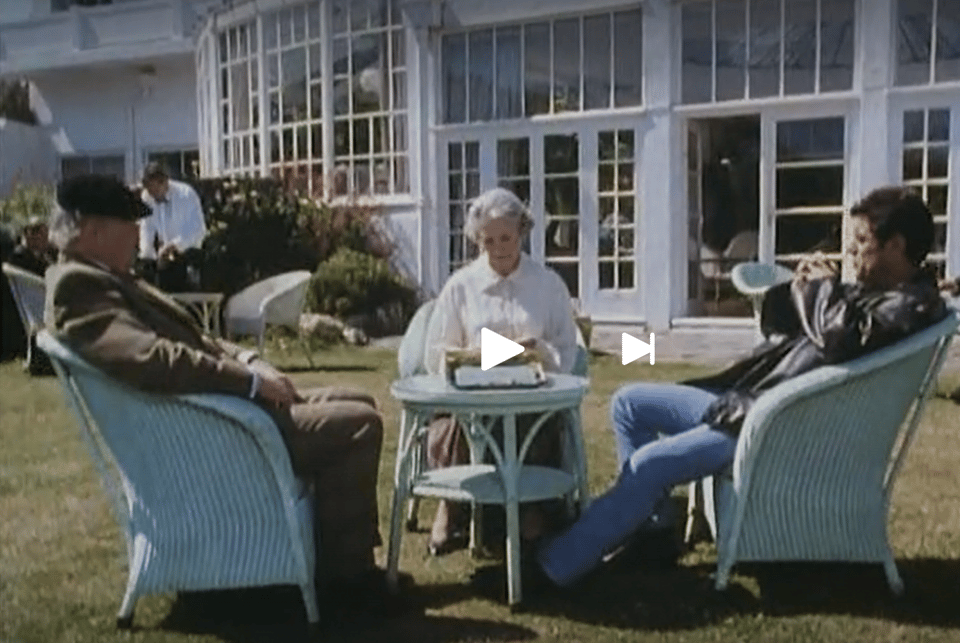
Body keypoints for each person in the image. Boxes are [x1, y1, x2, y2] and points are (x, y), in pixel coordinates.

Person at [531, 185, 948, 590]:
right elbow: (789, 325)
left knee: (651, 465)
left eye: (861, 241)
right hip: (756, 405)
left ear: (896, 245)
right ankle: (654, 534)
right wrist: (801, 286)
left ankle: (556, 566)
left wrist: (822, 289)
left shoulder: (913, 304)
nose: (852, 251)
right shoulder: (879, 292)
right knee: (629, 403)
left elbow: (838, 340)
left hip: (778, 424)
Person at [44, 174, 403, 612]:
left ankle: (328, 561)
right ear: (94, 230)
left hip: (219, 413)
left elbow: (197, 342)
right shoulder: (79, 288)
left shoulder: (107, 277)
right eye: (129, 223)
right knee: (358, 426)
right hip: (213, 432)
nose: (140, 233)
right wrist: (249, 382)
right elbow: (157, 359)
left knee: (358, 400)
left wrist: (253, 362)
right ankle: (346, 579)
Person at [423, 187, 580, 555]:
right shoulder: (460, 287)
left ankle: (529, 508)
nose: (498, 248)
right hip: (473, 399)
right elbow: (436, 353)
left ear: (522, 231)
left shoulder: (548, 284)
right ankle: (453, 505)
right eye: (488, 240)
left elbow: (568, 348)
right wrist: (469, 356)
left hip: (530, 398)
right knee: (455, 421)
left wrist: (540, 351)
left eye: (506, 238)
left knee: (533, 422)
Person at [138, 162, 207, 292]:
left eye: (155, 190)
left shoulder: (186, 194)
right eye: (149, 191)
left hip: (189, 254)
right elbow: (146, 229)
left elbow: (198, 231)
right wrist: (148, 257)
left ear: (165, 182)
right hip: (165, 259)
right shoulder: (147, 197)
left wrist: (174, 245)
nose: (153, 195)